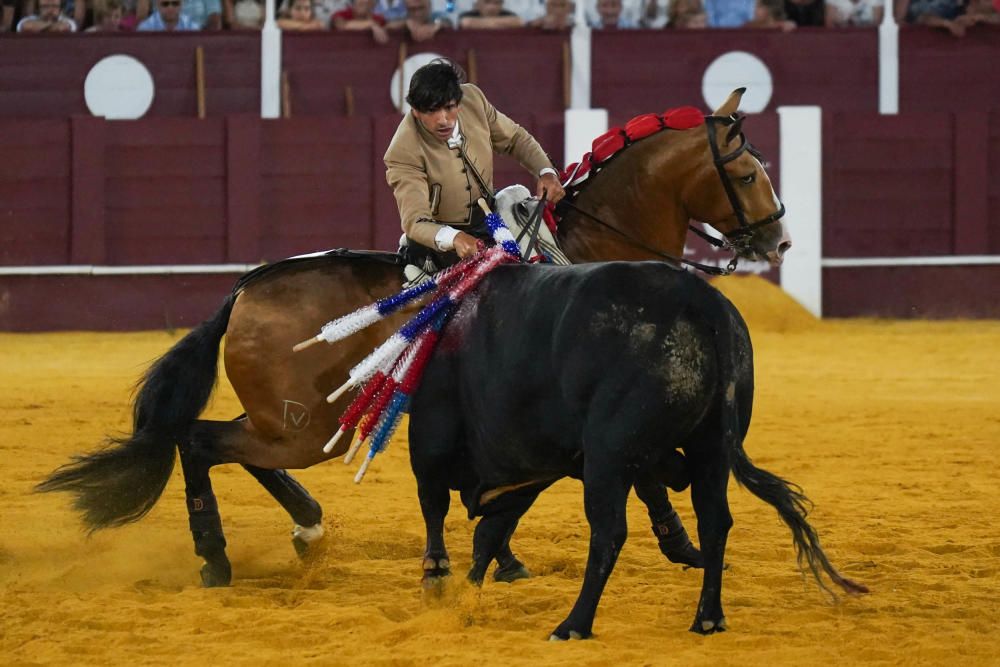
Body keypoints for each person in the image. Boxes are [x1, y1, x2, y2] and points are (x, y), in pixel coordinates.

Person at [384, 58, 565, 265]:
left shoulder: (474, 100)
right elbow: (415, 222)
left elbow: (514, 138)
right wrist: (454, 237)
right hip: (442, 242)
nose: (443, 119)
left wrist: (545, 172)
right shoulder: (402, 151)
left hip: (489, 212)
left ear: (459, 103)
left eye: (449, 107)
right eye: (431, 111)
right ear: (415, 112)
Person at [458, 0, 523, 27]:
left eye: (497, 3)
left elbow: (518, 22)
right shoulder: (467, 15)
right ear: (478, 4)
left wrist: (480, 24)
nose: (492, 7)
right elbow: (466, 23)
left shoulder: (509, 15)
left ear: (502, 4)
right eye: (487, 2)